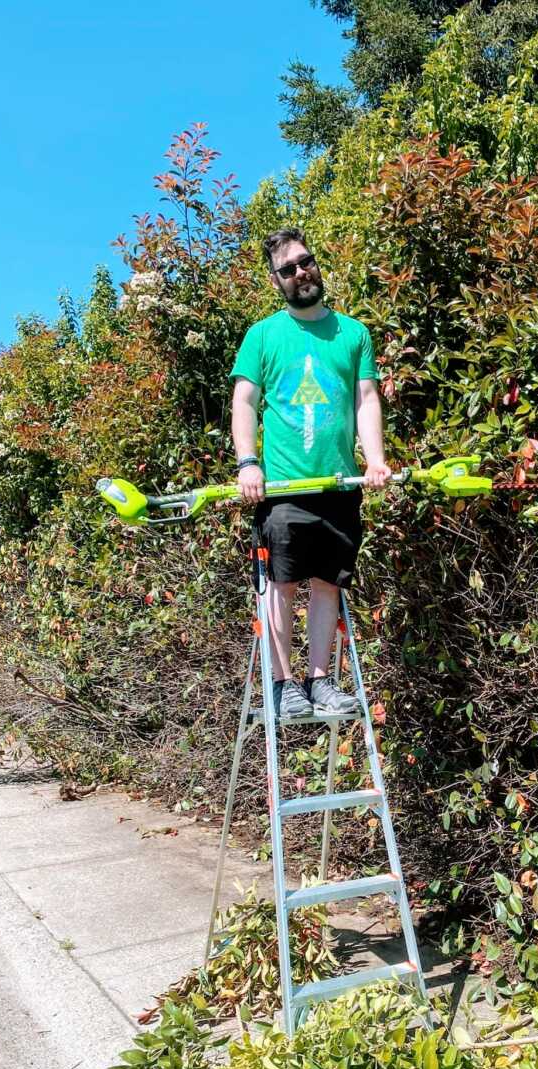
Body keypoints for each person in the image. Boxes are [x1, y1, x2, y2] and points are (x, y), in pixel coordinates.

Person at [229, 227, 391, 719]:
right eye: (288, 269)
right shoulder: (263, 336)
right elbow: (244, 402)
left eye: (305, 262)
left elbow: (366, 401)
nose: (300, 273)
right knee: (280, 583)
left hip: (340, 485)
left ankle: (319, 679)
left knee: (327, 584)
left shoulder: (353, 333)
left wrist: (375, 460)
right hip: (282, 488)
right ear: (276, 280)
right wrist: (248, 464)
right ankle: (283, 684)